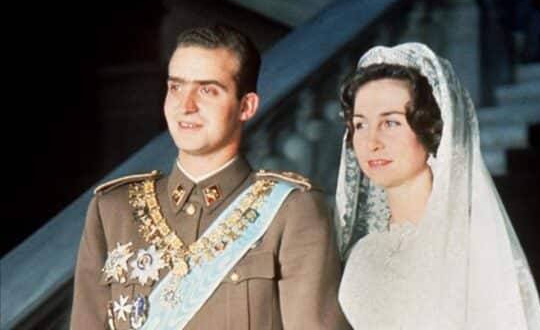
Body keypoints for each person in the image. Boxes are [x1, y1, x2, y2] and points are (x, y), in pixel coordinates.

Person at [71, 25, 348, 330]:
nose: (185, 106)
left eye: (207, 90)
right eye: (176, 87)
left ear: (246, 106)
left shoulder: (290, 211)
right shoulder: (113, 210)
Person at [335, 43, 540, 329]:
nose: (372, 141)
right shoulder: (361, 254)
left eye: (391, 123)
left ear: (430, 129)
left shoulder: (476, 246)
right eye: (360, 125)